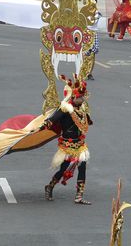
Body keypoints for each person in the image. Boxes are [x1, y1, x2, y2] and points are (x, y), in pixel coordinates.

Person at [41, 75, 93, 205]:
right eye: (80, 98)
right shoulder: (65, 109)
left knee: (82, 167)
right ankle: (50, 186)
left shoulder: (80, 109)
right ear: (74, 97)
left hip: (80, 144)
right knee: (63, 168)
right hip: (67, 145)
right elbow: (52, 119)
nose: (82, 100)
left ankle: (79, 196)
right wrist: (44, 125)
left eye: (83, 97)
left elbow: (86, 123)